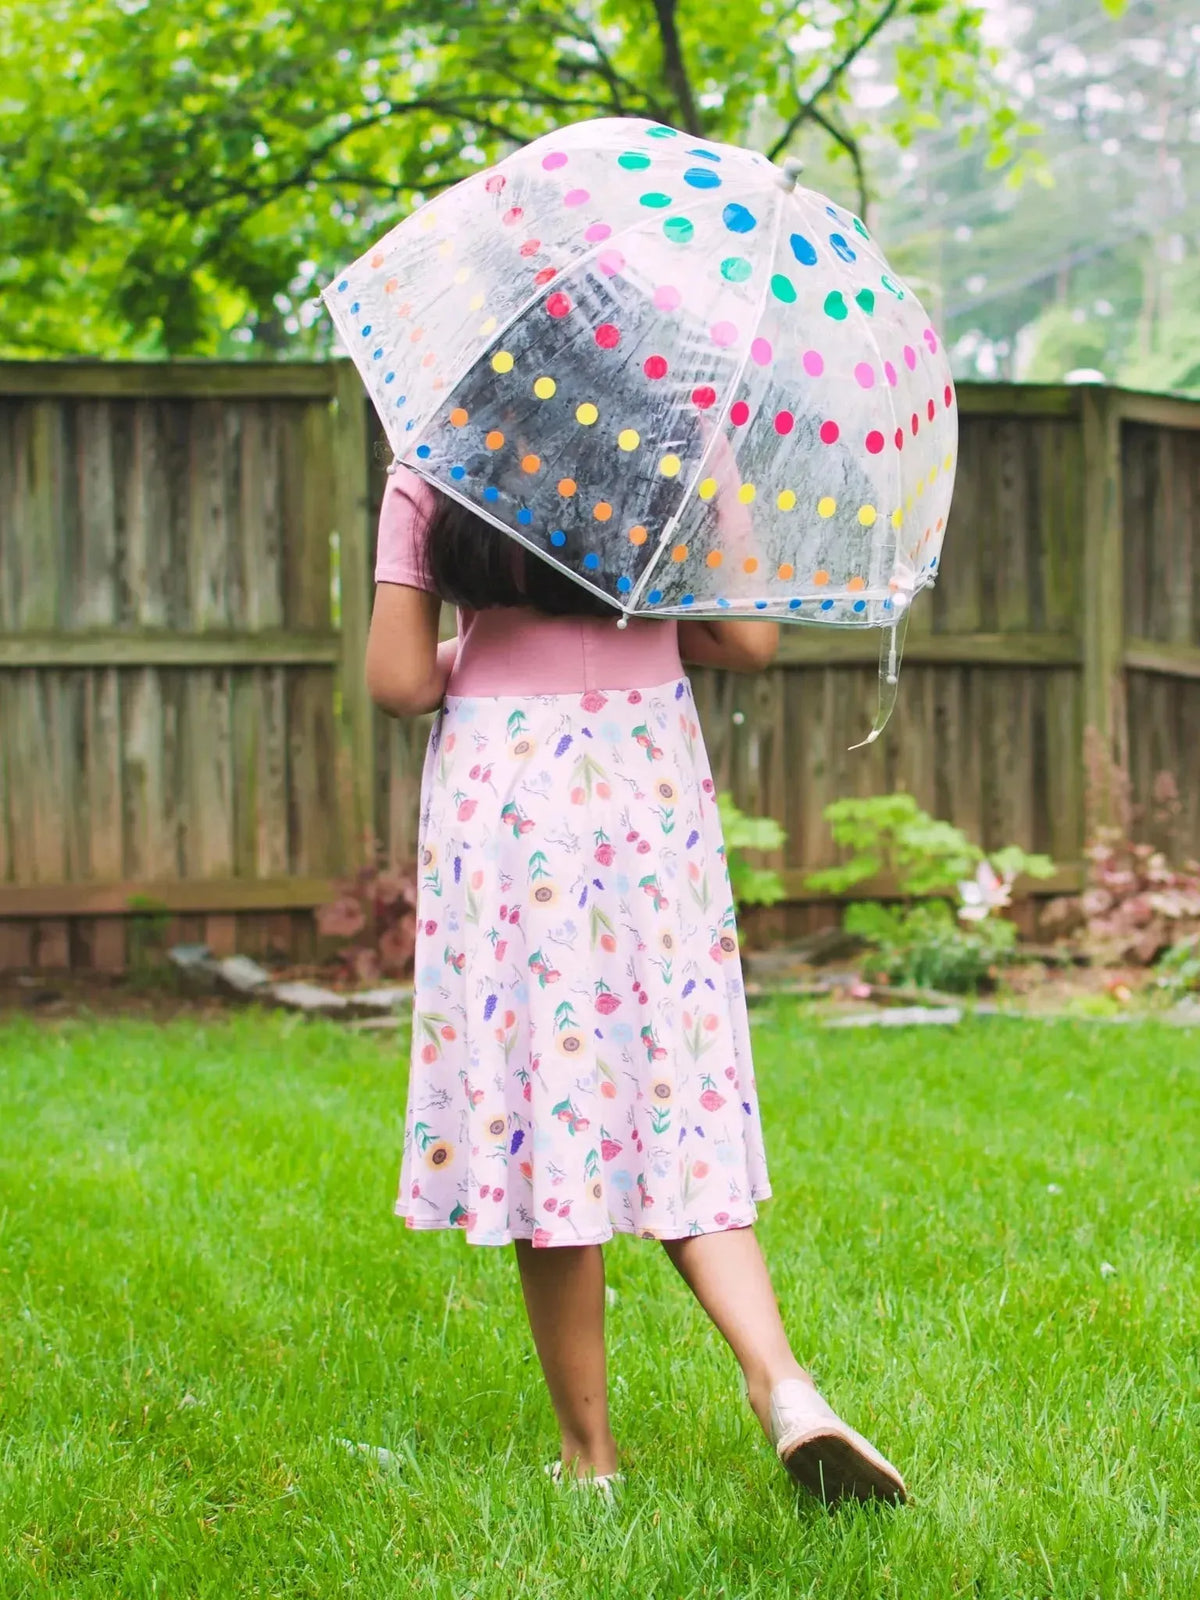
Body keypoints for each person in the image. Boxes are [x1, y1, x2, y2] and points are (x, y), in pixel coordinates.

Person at [365, 464, 906, 1505]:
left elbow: (397, 683)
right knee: (677, 1091)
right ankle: (784, 1385)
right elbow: (745, 640)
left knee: (544, 1107)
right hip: (643, 784)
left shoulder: (439, 464)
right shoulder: (674, 450)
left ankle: (591, 1464)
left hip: (508, 794)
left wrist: (485, 645)